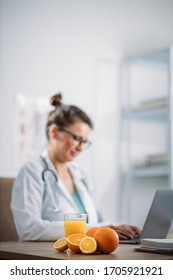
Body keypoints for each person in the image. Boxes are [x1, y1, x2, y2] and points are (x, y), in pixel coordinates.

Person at [11, 93, 141, 241]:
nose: (81, 148)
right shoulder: (31, 172)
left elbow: (93, 224)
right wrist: (96, 230)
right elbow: (29, 229)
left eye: (85, 142)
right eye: (77, 139)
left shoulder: (81, 174)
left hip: (84, 254)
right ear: (54, 132)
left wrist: (118, 227)